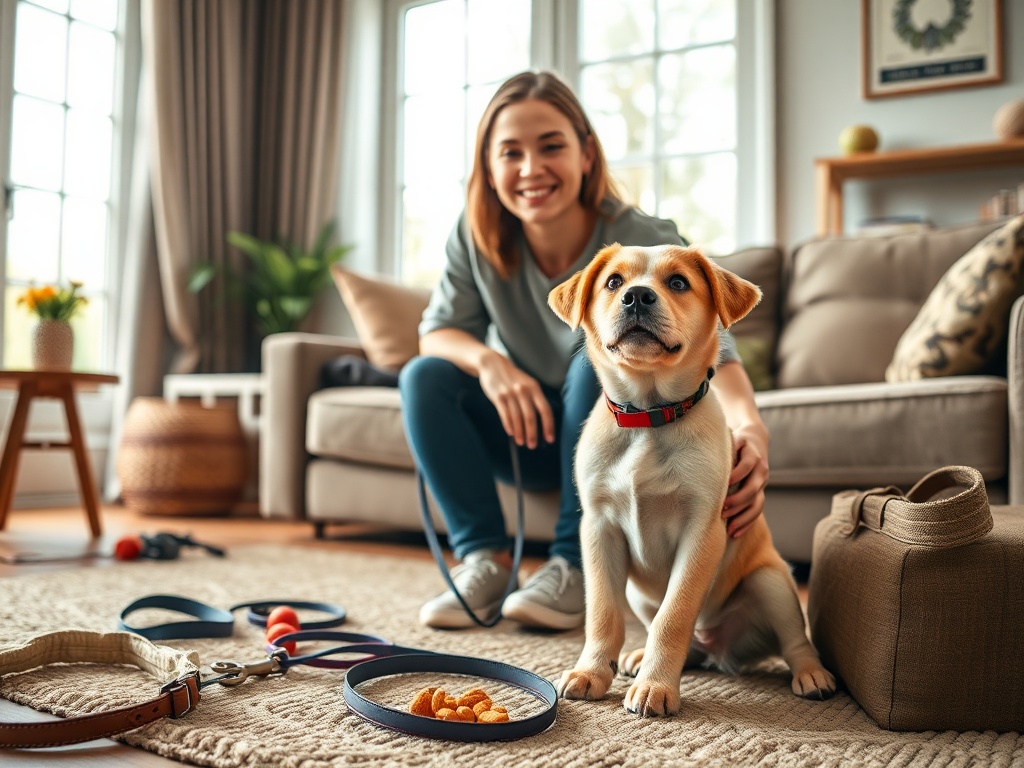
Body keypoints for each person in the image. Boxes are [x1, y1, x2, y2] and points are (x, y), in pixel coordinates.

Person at [398, 70, 770, 631]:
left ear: (586, 154)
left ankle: (573, 564)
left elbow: (715, 336)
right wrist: (492, 364)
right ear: (489, 168)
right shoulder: (475, 237)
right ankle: (485, 558)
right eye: (510, 153)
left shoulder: (641, 233)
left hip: (613, 434)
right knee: (423, 376)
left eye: (551, 146)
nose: (531, 169)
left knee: (590, 366)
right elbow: (438, 331)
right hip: (527, 431)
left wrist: (751, 426)